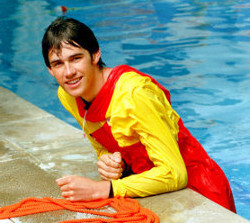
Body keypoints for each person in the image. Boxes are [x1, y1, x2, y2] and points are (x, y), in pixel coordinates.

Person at [42, 17, 236, 212]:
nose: (69, 72)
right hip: (149, 187)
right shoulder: (68, 95)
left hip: (201, 191)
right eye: (58, 63)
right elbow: (104, 144)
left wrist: (105, 188)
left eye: (76, 58)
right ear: (50, 70)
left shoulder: (134, 95)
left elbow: (175, 173)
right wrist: (111, 162)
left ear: (95, 55)